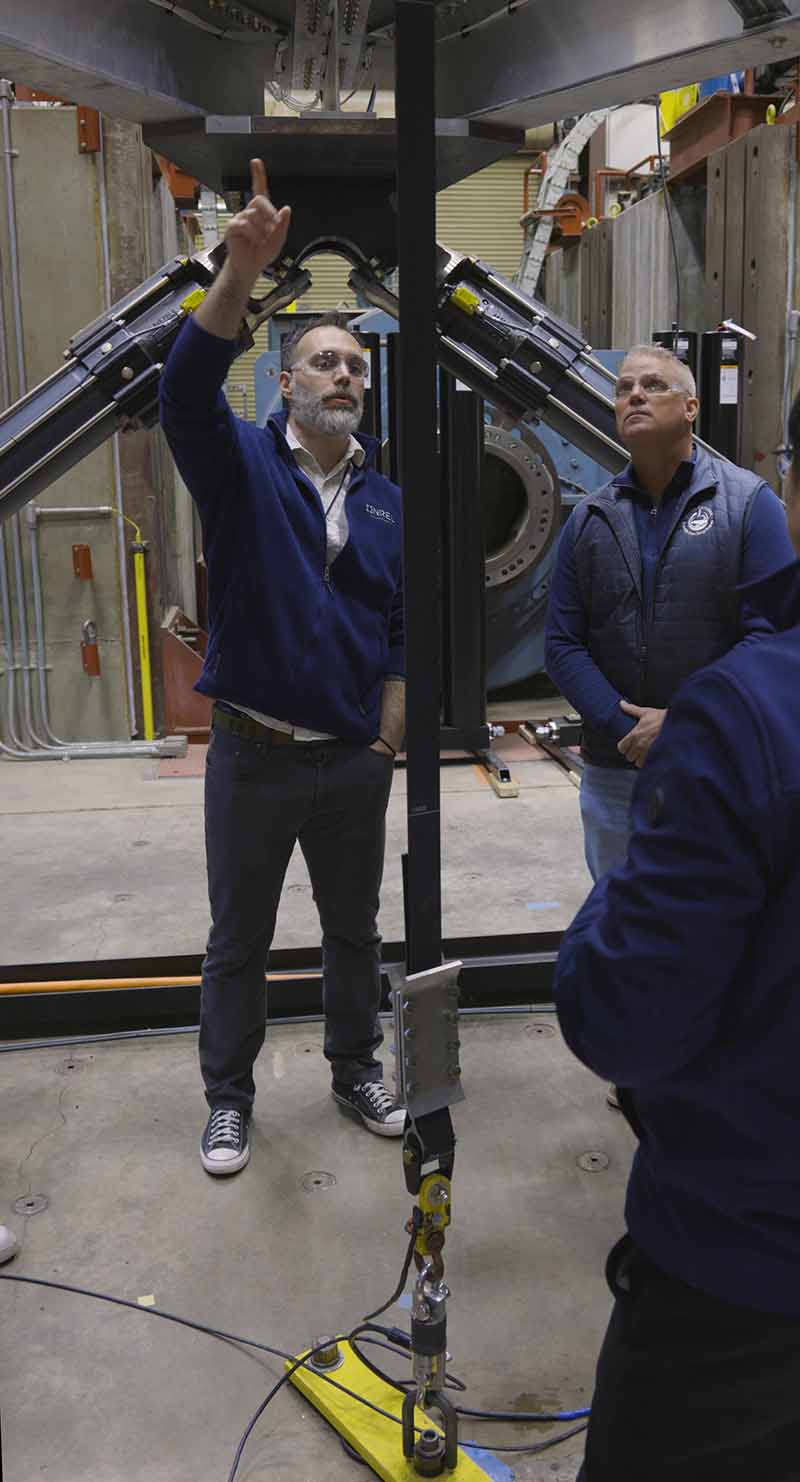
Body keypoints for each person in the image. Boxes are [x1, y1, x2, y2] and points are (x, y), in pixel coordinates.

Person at [556, 326, 800, 1481]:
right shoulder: (592, 519)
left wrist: (612, 903)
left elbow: (625, 1021)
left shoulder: (755, 715)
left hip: (762, 1275)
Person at [160, 160, 406, 1176]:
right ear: (286, 381)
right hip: (254, 758)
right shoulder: (240, 465)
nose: (345, 374)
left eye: (355, 362)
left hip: (350, 762)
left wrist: (386, 740)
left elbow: (395, 626)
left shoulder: (387, 498)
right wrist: (241, 271)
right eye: (323, 361)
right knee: (239, 944)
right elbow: (180, 394)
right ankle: (229, 1099)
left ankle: (356, 1069)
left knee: (355, 935)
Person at [544, 342, 793, 1106]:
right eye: (624, 387)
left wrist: (682, 719)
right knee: (624, 921)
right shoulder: (587, 517)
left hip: (710, 769)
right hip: (614, 772)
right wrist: (620, 724)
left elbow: (771, 631)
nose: (634, 395)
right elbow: (561, 644)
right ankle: (638, 1071)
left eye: (655, 385)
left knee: (718, 915)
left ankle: (711, 1064)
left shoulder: (750, 505)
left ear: (691, 407)